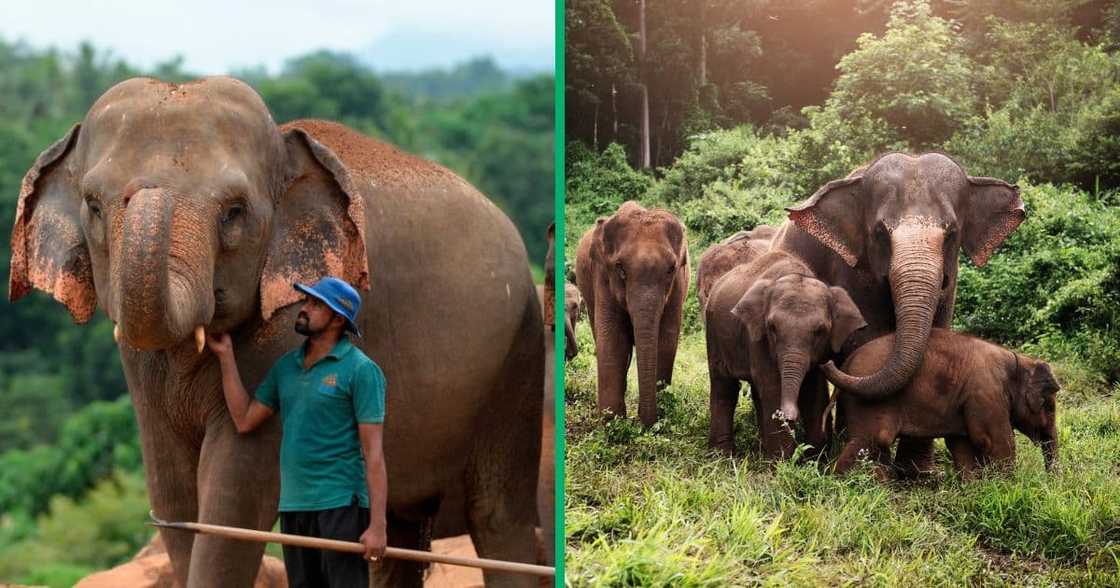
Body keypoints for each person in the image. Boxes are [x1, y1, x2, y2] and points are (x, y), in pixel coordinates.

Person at [207, 276, 388, 587]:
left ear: (338, 319)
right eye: (306, 300)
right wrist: (225, 357)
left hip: (340, 505)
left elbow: (374, 455)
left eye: (316, 304)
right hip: (293, 506)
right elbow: (244, 420)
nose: (304, 308)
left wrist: (378, 526)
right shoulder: (286, 368)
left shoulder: (361, 370)